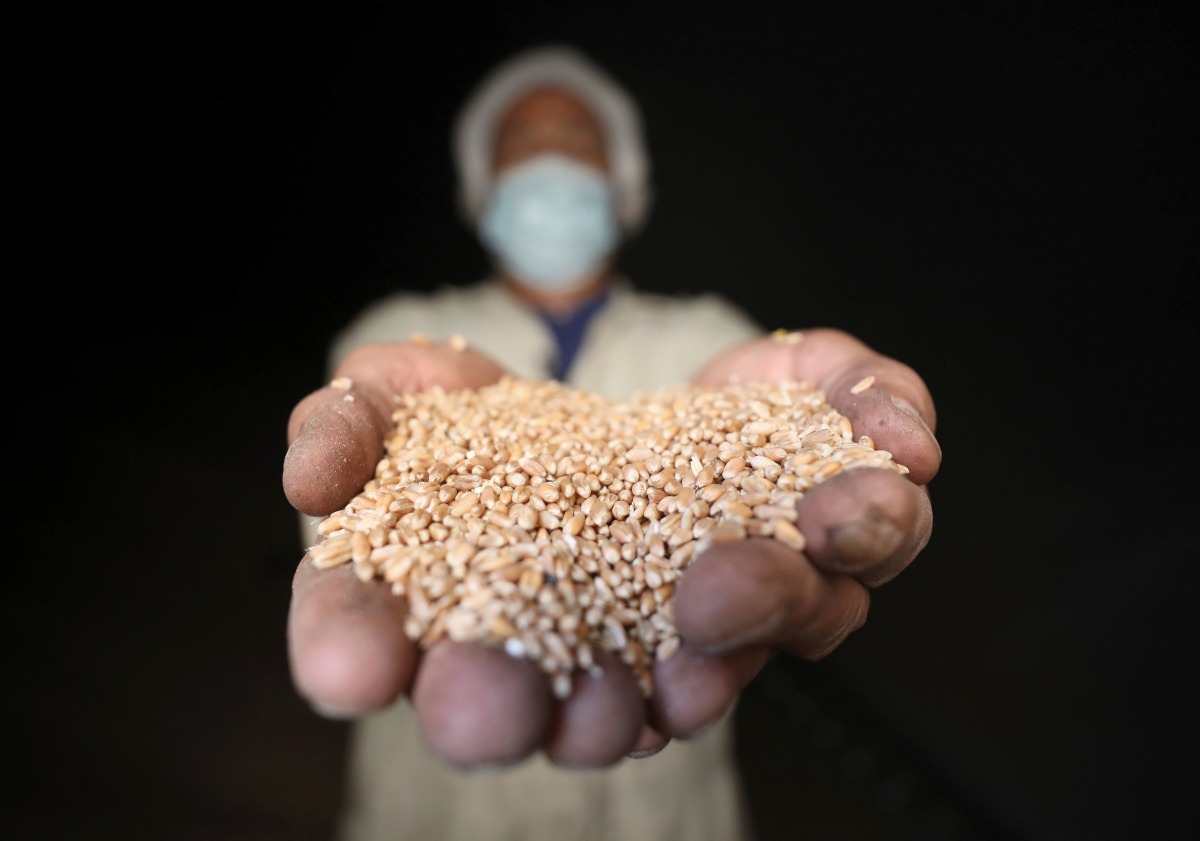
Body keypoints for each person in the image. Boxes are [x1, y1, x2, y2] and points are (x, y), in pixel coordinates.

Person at [283, 44, 940, 841]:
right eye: (522, 145)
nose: (551, 158)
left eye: (576, 140)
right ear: (482, 188)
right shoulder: (397, 339)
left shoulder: (712, 338)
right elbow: (350, 529)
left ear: (622, 184)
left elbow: (762, 470)